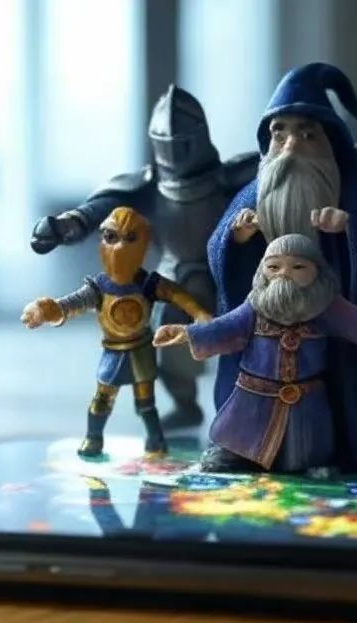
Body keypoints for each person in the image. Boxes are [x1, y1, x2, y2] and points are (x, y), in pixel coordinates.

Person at [29, 85, 258, 429]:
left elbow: (274, 179)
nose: (174, 153)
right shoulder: (148, 186)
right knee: (166, 347)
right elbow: (105, 206)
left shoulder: (231, 177)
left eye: (180, 144)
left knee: (245, 343)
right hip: (173, 277)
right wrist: (70, 224)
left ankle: (244, 414)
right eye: (167, 145)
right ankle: (186, 405)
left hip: (226, 273)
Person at [207, 62, 357, 469]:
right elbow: (218, 253)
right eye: (280, 134)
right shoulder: (252, 194)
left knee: (329, 401)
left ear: (331, 143)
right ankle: (239, 449)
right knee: (249, 391)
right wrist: (237, 240)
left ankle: (334, 449)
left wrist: (347, 232)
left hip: (328, 325)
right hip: (260, 327)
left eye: (307, 135)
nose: (291, 146)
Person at [155, 234, 357, 473]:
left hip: (305, 399)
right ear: (263, 271)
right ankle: (236, 456)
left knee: (306, 448)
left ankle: (306, 461)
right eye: (274, 267)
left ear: (316, 271)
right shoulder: (255, 305)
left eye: (297, 267)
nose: (284, 274)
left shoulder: (325, 305)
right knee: (240, 440)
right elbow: (226, 327)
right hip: (254, 395)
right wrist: (189, 333)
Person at [21, 207, 211, 458]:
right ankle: (94, 437)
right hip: (112, 351)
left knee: (146, 402)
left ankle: (155, 440)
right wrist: (46, 309)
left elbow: (176, 294)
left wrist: (199, 313)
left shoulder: (147, 283)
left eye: (130, 238)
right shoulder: (99, 288)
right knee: (102, 399)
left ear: (143, 242)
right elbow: (70, 305)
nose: (120, 247)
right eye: (111, 237)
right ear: (102, 241)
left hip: (142, 350)